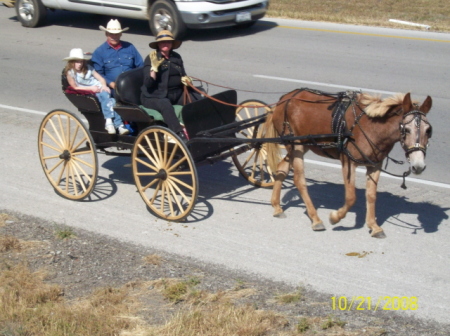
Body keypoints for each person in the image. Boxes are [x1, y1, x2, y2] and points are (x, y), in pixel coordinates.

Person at [141, 30, 199, 142]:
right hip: (154, 97)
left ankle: (203, 127)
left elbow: (183, 74)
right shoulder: (151, 58)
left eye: (168, 42)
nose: (165, 44)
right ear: (158, 44)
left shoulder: (176, 57)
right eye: (162, 42)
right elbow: (148, 83)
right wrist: (154, 69)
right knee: (165, 104)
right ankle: (179, 134)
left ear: (172, 44)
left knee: (197, 97)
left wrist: (186, 80)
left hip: (175, 94)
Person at [63, 48, 129, 135]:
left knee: (113, 101)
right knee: (108, 98)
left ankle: (118, 124)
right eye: (77, 62)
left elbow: (100, 79)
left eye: (81, 62)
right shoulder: (70, 73)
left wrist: (104, 86)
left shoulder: (89, 69)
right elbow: (75, 87)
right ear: (72, 62)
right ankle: (110, 122)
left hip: (99, 87)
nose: (79, 64)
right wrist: (91, 88)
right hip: (90, 90)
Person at [91, 19, 143, 96]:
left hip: (132, 85)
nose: (114, 36)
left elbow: (140, 65)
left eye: (117, 34)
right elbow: (98, 74)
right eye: (111, 34)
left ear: (121, 34)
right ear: (106, 34)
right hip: (113, 88)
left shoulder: (130, 47)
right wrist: (110, 83)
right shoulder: (99, 52)